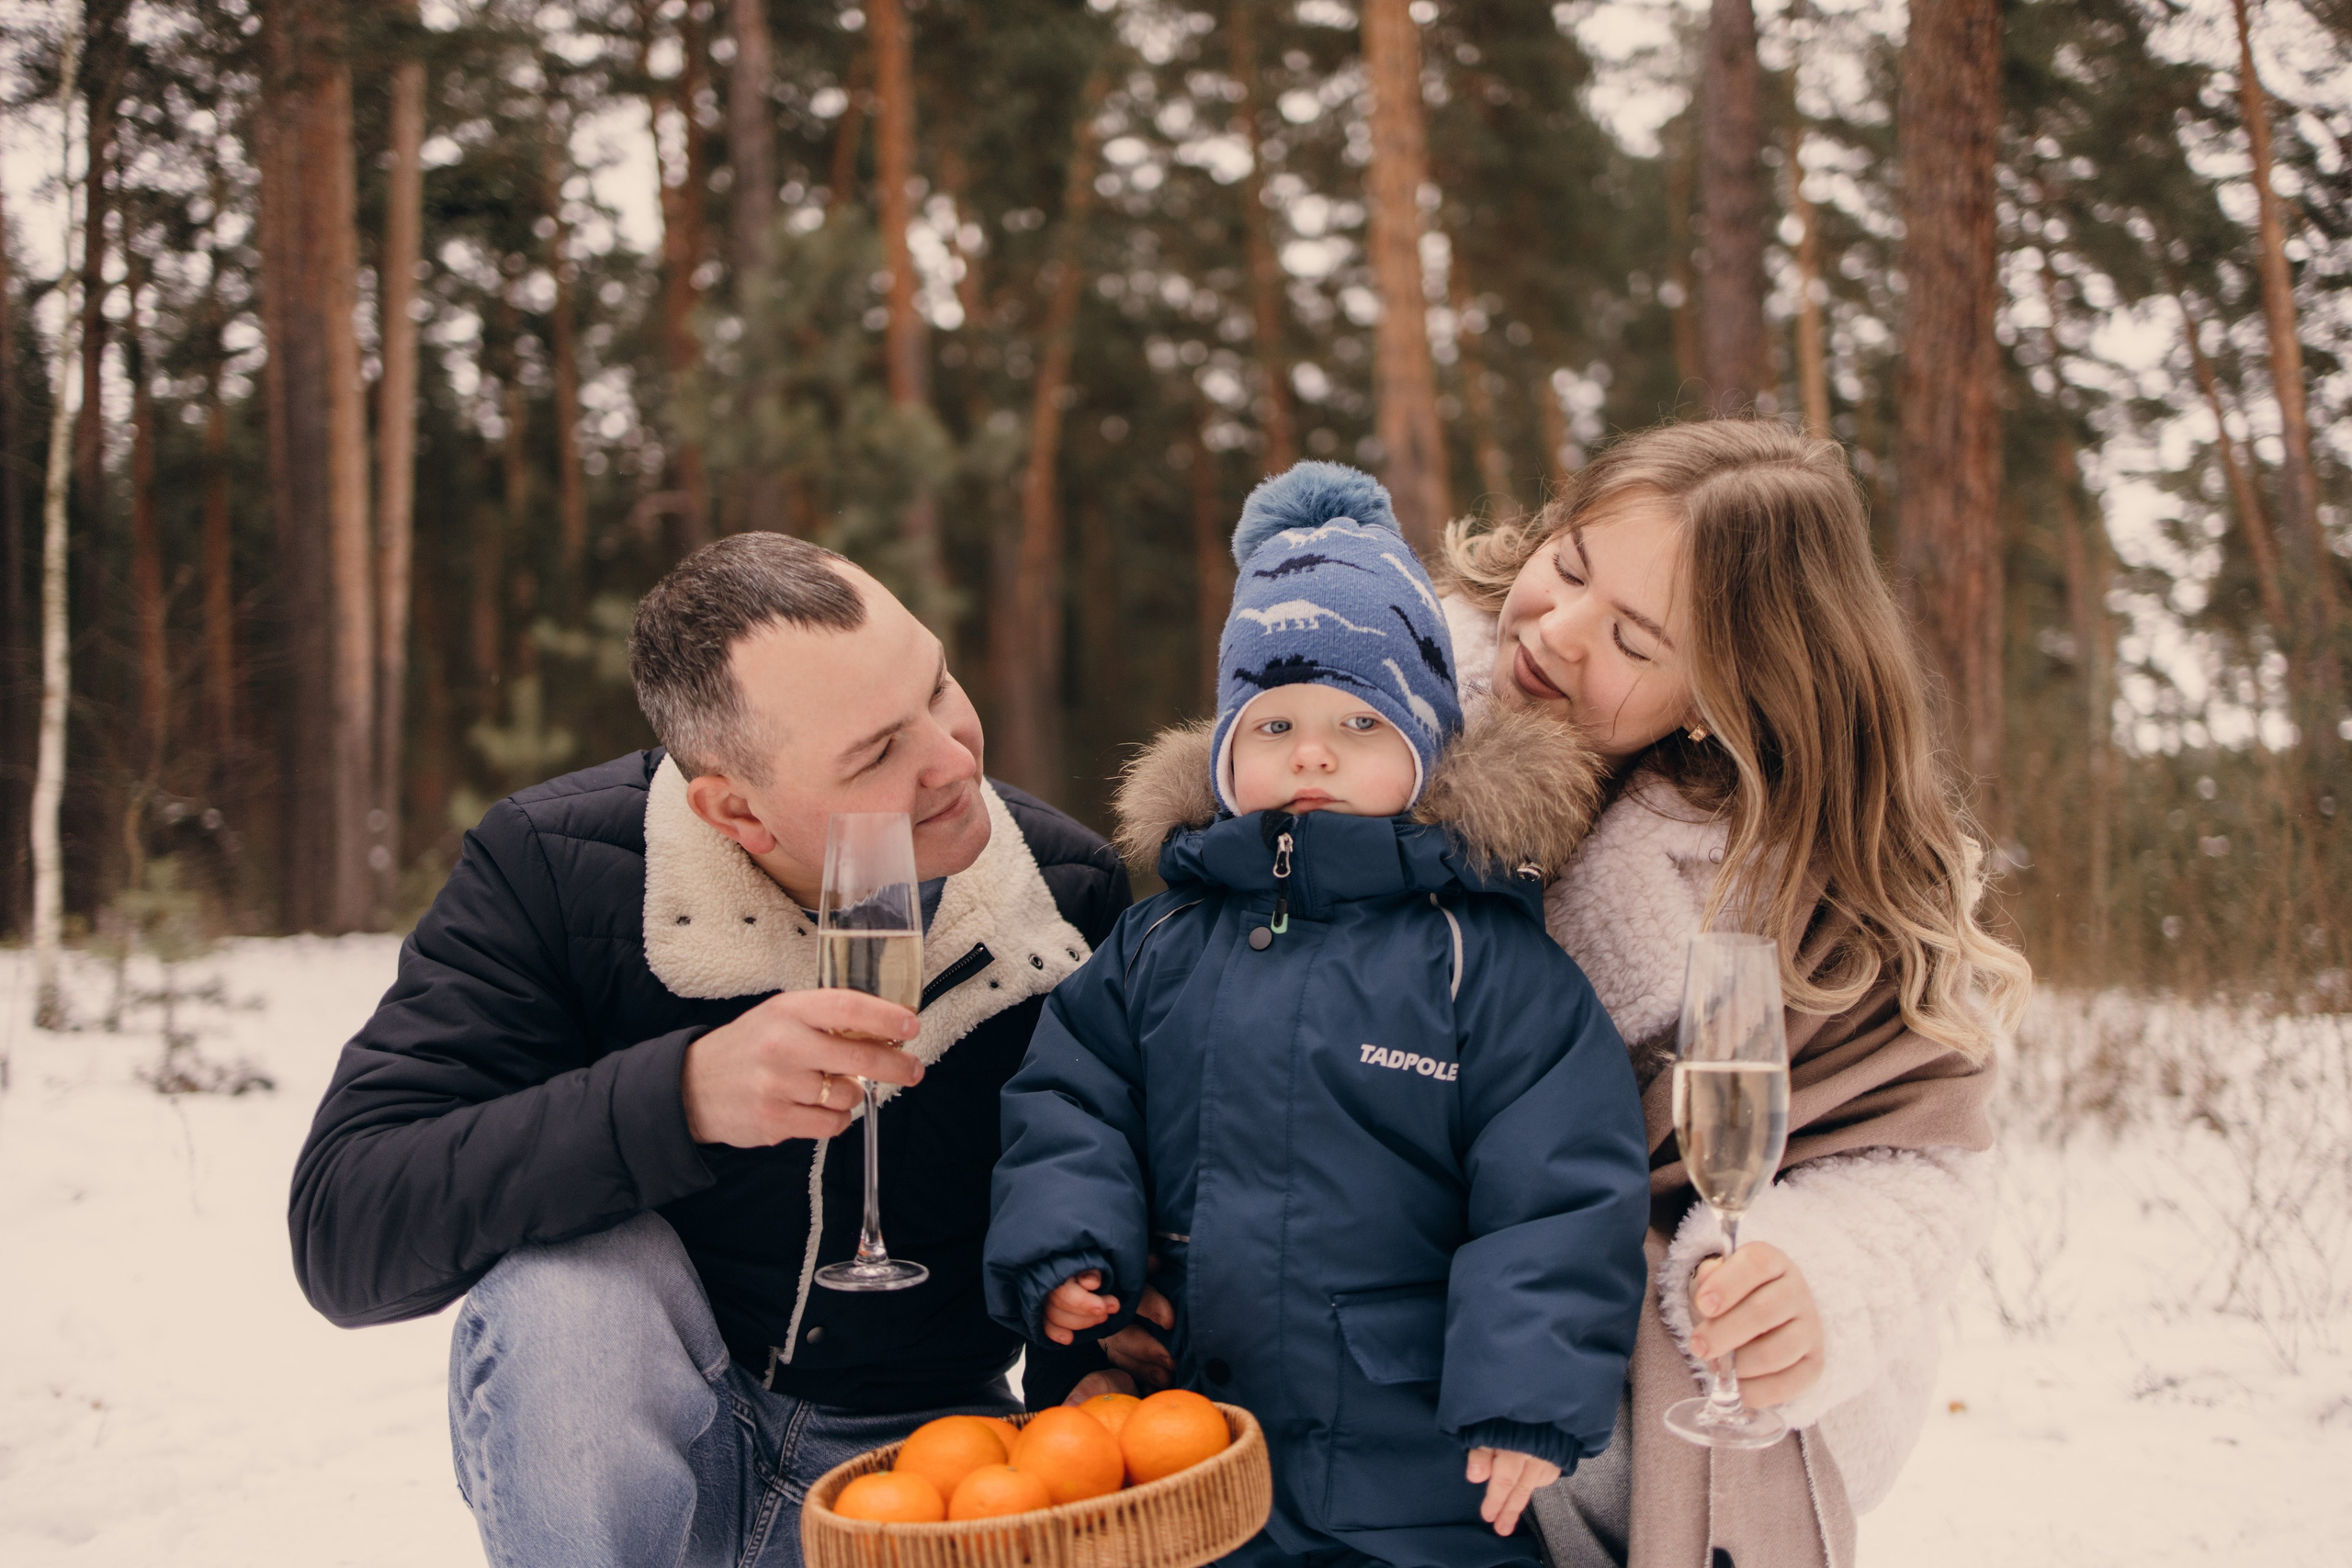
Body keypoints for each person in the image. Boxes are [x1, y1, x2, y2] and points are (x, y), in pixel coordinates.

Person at [287, 533, 1131, 1568]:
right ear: (735, 809)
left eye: (938, 686)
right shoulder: (552, 870)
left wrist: (1097, 1361)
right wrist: (679, 1099)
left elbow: (1102, 1199)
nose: (954, 758)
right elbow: (346, 1225)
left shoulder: (1068, 899)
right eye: (876, 753)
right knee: (570, 1295)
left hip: (920, 1474)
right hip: (646, 1450)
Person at [984, 462, 1654, 1567]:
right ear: (1223, 753)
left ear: (1425, 751)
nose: (1310, 751)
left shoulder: (1486, 966)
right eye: (1273, 722)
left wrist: (1528, 1390)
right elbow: (1069, 1104)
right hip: (1189, 1457)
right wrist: (1066, 1251)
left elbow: (1559, 1191)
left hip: (1414, 1477)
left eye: (1358, 721)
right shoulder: (1156, 945)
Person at [1436, 419, 2031, 1568]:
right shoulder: (1370, 718)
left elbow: (1916, 1155)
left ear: (1716, 694)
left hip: (1624, 1350)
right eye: (1568, 565)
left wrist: (1812, 1279)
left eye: (1633, 638)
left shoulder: (1796, 886)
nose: (1556, 632)